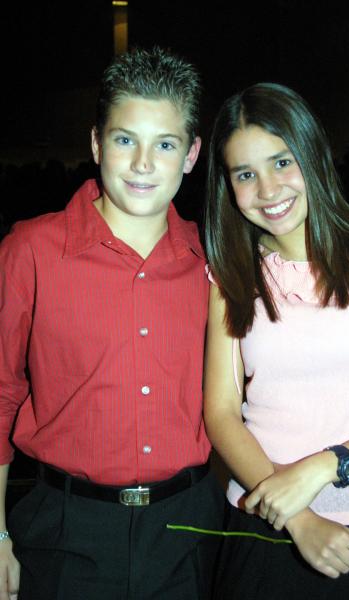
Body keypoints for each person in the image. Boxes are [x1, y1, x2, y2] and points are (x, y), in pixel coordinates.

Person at [0, 46, 225, 600]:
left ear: (191, 155)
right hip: (65, 531)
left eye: (165, 144)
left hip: (188, 529)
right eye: (126, 139)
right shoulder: (31, 249)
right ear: (97, 142)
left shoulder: (213, 258)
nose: (144, 164)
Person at [203, 82, 349, 599]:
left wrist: (323, 467)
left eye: (282, 162)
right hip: (266, 525)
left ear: (312, 155)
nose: (268, 190)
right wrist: (299, 519)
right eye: (246, 174)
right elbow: (221, 413)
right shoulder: (230, 277)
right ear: (228, 186)